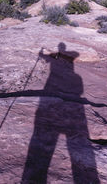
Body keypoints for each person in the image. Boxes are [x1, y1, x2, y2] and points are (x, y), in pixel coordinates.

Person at [22, 43, 100, 184]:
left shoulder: (64, 66)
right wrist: (43, 54)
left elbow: (47, 58)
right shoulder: (76, 77)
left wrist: (42, 53)